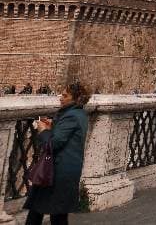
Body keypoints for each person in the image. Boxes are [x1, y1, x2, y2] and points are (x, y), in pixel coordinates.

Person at [24, 83, 90, 225]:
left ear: (76, 99)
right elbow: (67, 136)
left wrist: (43, 130)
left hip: (56, 172)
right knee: (54, 213)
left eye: (65, 96)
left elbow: (52, 144)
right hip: (64, 171)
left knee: (45, 212)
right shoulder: (80, 114)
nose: (61, 98)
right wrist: (53, 127)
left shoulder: (70, 116)